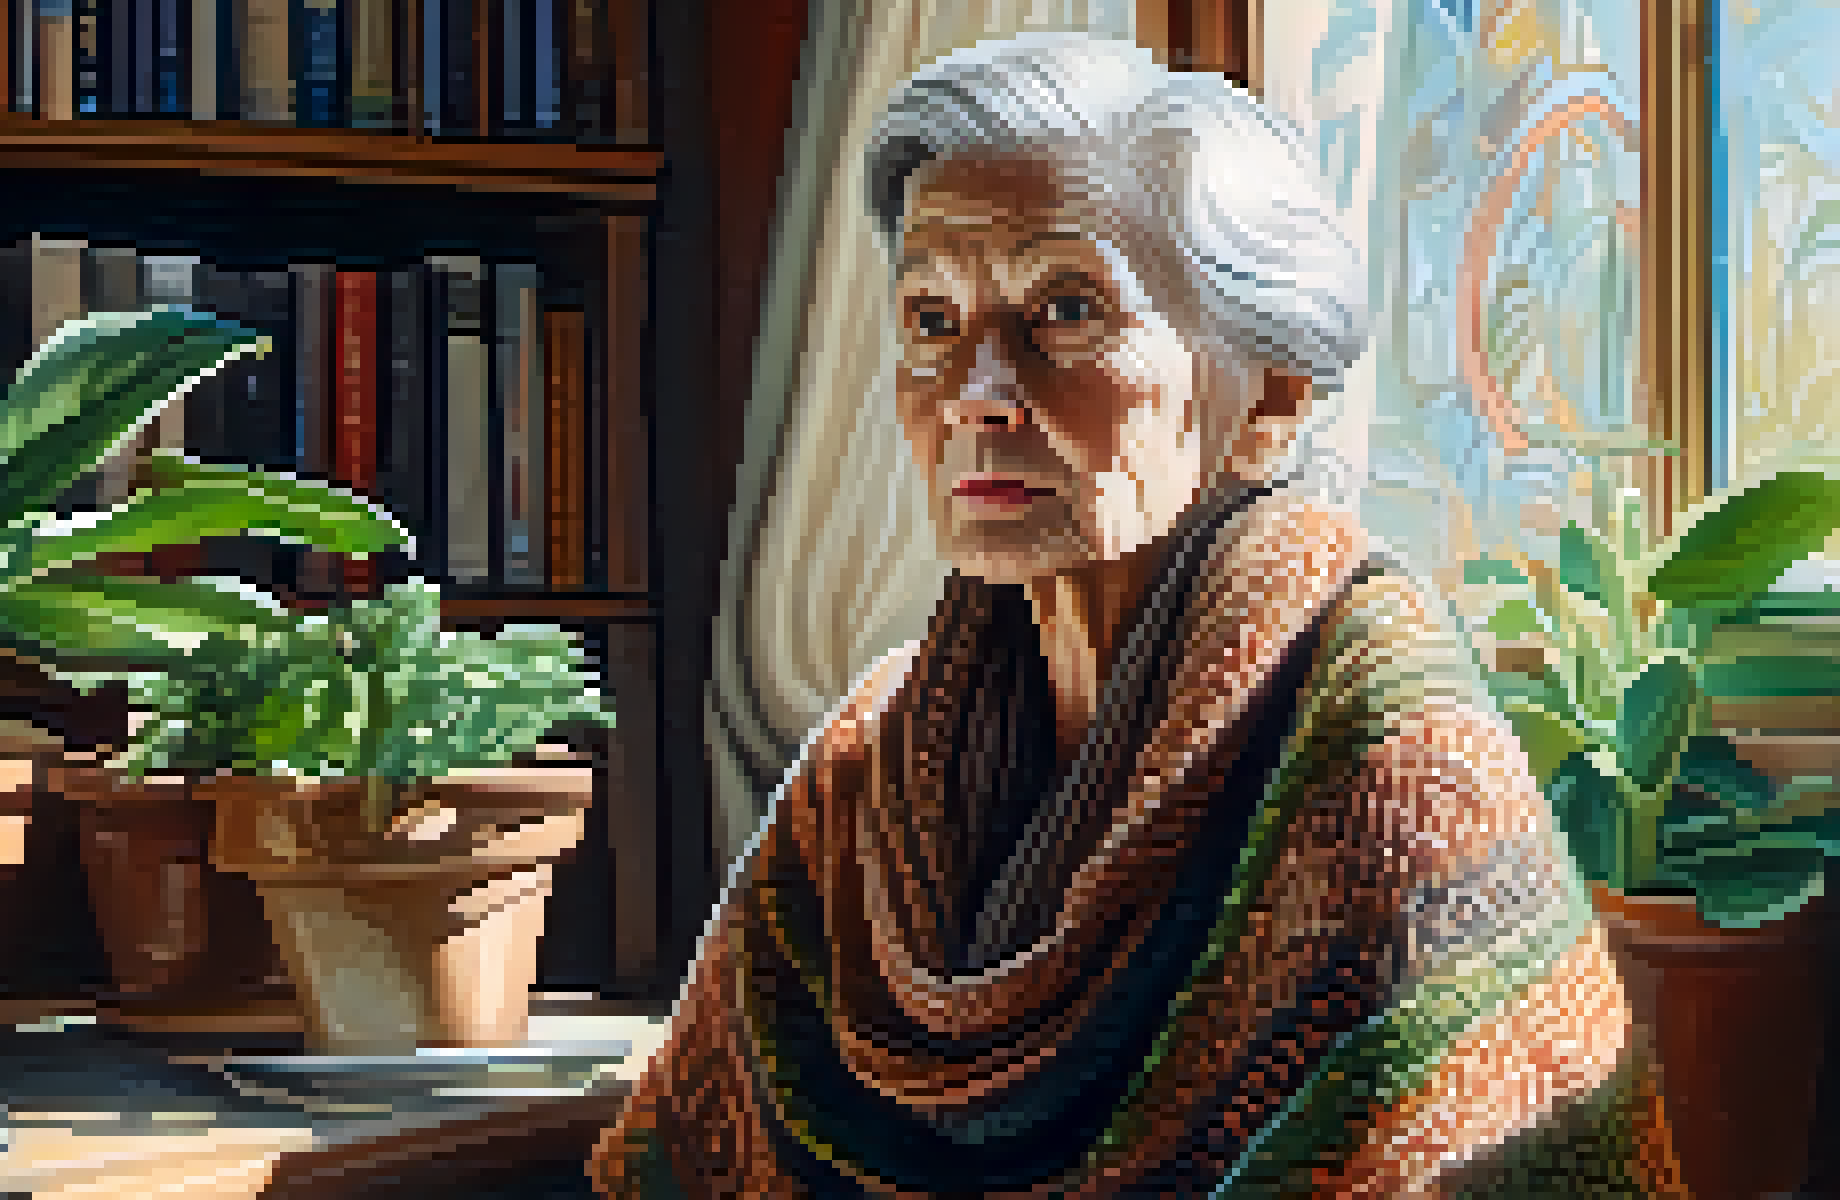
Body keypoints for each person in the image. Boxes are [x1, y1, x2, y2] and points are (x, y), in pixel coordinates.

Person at [590, 32, 1686, 1198]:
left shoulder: (1394, 752)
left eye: (1066, 309)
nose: (975, 393)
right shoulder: (866, 769)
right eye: (931, 319)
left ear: (1271, 395)